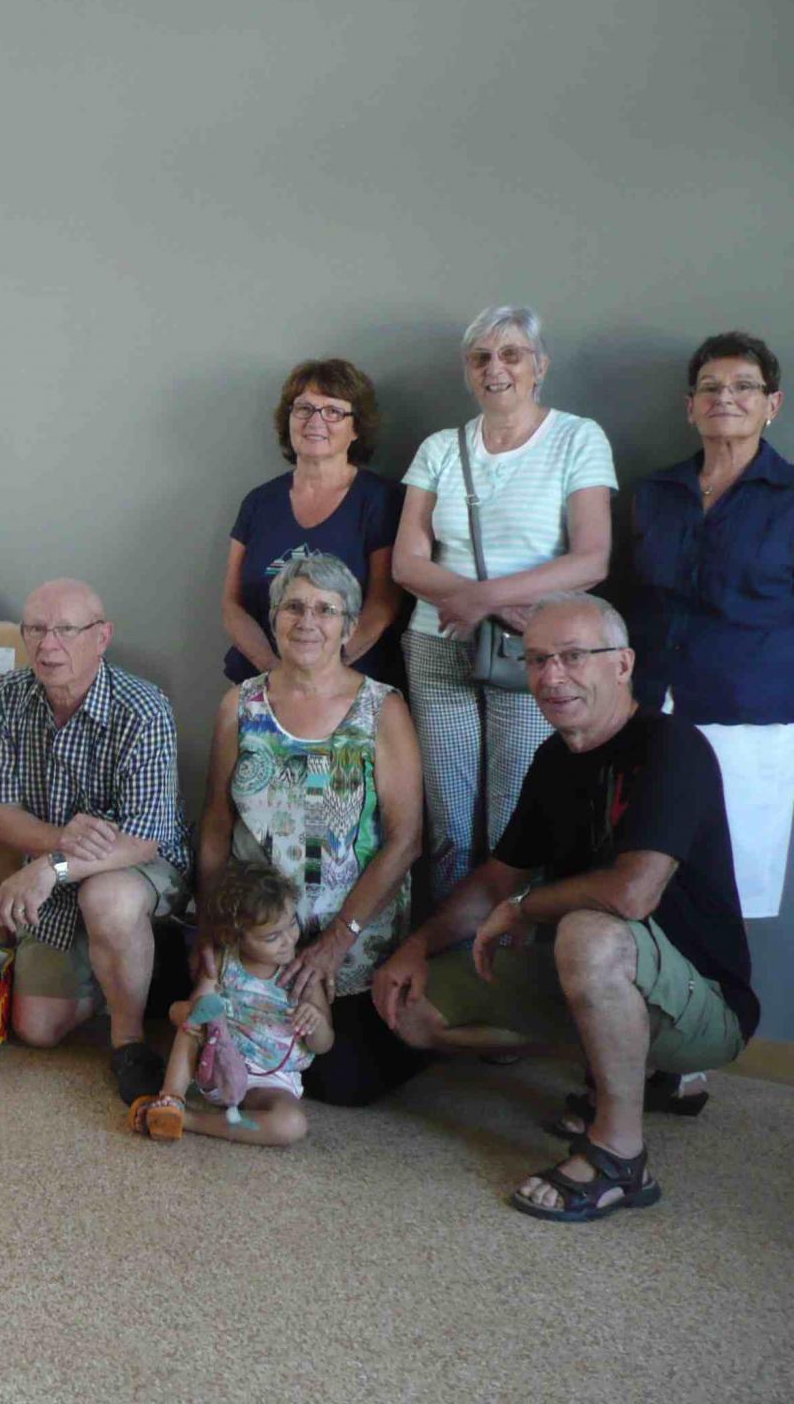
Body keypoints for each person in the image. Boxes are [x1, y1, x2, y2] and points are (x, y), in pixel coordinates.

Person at [372, 594, 757, 1223]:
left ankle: (619, 1156)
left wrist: (524, 910)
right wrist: (414, 946)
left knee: (588, 932)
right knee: (414, 1014)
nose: (552, 677)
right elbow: (499, 876)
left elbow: (633, 893)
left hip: (705, 1003)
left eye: (574, 657)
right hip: (606, 979)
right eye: (537, 660)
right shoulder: (554, 759)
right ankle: (628, 1076)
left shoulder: (671, 747)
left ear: (623, 664)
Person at [392, 305, 615, 899]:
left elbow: (592, 559)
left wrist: (484, 599)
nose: (497, 368)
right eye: (481, 357)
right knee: (447, 821)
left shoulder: (577, 437)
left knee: (517, 816)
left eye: (511, 354)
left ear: (539, 366)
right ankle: (445, 962)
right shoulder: (441, 447)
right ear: (468, 371)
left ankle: (503, 958)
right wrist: (482, 605)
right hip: (437, 646)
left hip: (533, 650)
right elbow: (406, 563)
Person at [625, 331, 790, 1117]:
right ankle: (636, 1040)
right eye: (710, 386)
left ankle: (692, 1061)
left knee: (722, 894)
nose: (725, 398)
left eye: (744, 386)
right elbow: (629, 597)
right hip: (652, 711)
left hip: (747, 720)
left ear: (772, 404)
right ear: (689, 405)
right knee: (640, 879)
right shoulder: (652, 494)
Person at [196, 552, 426, 1105]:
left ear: (348, 626)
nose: (308, 621)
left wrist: (334, 942)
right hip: (259, 940)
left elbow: (405, 839)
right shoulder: (240, 705)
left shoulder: (381, 709)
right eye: (293, 606)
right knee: (236, 1068)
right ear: (273, 619)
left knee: (343, 1084)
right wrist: (207, 929)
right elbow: (216, 824)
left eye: (326, 609)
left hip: (352, 942)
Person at [0, 578, 193, 1107]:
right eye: (35, 629)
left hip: (138, 866)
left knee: (109, 899)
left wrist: (49, 867)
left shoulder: (144, 709)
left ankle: (129, 1040)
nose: (47, 644)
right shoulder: (9, 697)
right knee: (37, 1028)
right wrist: (59, 841)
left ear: (102, 637)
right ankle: (121, 965)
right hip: (58, 866)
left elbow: (144, 839)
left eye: (66, 630)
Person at [221, 358, 404, 686]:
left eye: (333, 411)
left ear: (356, 428)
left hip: (349, 687)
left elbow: (384, 603)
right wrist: (276, 673)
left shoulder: (381, 500)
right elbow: (233, 605)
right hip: (262, 686)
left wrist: (324, 672)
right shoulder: (258, 503)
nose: (315, 421)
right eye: (304, 408)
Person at [132, 861, 334, 1147]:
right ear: (235, 936)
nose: (288, 940)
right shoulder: (225, 962)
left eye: (291, 924)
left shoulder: (304, 976)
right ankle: (171, 1098)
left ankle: (188, 1120)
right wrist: (194, 1008)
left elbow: (324, 1045)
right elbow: (199, 1008)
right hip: (217, 1062)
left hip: (271, 1082)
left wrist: (314, 1020)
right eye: (272, 936)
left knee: (292, 1124)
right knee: (194, 1016)